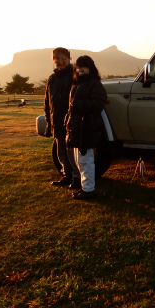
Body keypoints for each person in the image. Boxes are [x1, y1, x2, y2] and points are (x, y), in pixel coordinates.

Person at [64, 55, 107, 200]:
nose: (80, 69)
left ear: (90, 68)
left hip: (87, 128)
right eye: (78, 66)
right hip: (76, 128)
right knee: (79, 161)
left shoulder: (95, 84)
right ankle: (85, 188)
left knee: (86, 160)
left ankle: (88, 190)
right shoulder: (77, 85)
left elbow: (97, 105)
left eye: (84, 66)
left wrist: (77, 104)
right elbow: (72, 109)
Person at [44, 47, 81, 189]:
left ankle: (77, 178)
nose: (60, 61)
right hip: (56, 121)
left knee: (71, 152)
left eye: (63, 58)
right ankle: (67, 175)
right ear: (53, 60)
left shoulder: (74, 75)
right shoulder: (52, 78)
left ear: (69, 58)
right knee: (60, 152)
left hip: (70, 121)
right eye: (57, 58)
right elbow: (47, 102)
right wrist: (49, 121)